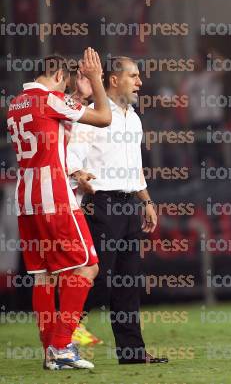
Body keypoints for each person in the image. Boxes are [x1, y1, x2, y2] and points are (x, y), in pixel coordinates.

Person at [7, 48, 111, 370]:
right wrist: (95, 79)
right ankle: (63, 346)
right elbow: (104, 118)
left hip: (26, 198)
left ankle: (50, 351)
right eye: (65, 84)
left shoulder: (15, 104)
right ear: (59, 76)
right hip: (55, 198)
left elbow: (49, 142)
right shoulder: (50, 99)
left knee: (44, 277)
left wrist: (75, 171)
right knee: (87, 266)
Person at [67, 56, 168, 364]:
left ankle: (132, 353)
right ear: (113, 79)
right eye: (134, 76)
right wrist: (78, 173)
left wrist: (146, 201)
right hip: (102, 203)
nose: (139, 82)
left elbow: (134, 167)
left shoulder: (133, 118)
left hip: (128, 205)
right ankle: (61, 335)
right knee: (99, 279)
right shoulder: (93, 115)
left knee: (128, 280)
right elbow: (73, 153)